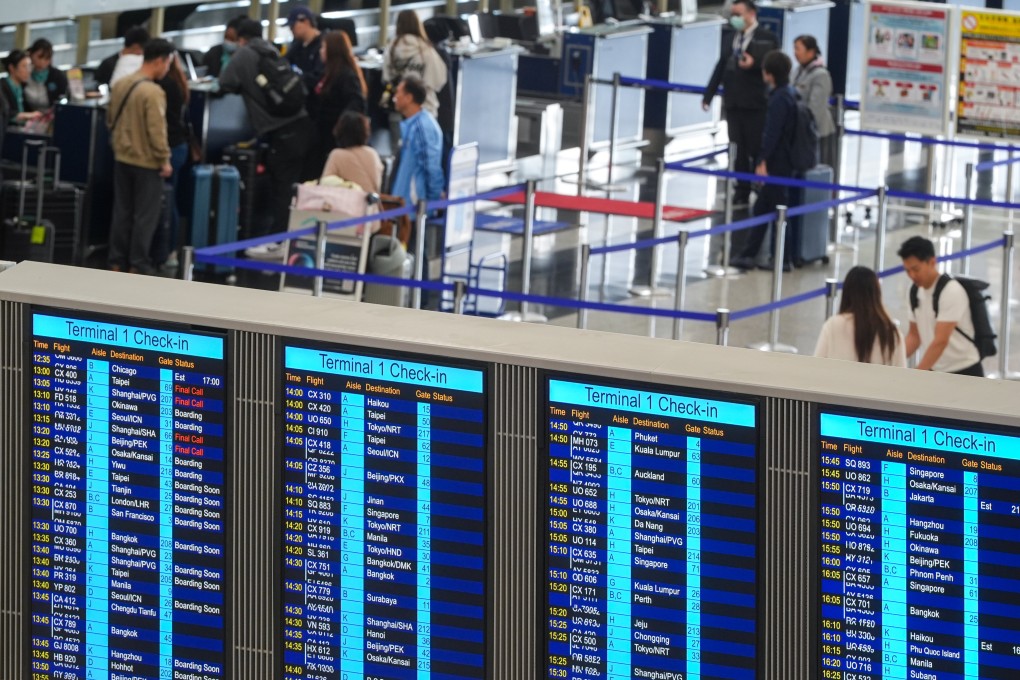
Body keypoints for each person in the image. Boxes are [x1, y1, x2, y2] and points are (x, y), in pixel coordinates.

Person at [219, 18, 312, 255]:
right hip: (300, 124)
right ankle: (284, 239)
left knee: (281, 188)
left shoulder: (243, 55)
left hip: (282, 132)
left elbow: (225, 82)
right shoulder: (271, 50)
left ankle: (279, 244)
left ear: (241, 39)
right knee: (288, 187)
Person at [106, 39, 175, 275]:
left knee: (122, 212)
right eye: (168, 64)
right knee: (145, 216)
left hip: (122, 158)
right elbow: (157, 131)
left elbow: (109, 119)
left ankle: (116, 262)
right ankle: (138, 263)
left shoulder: (120, 85)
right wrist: (164, 159)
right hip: (147, 163)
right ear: (159, 61)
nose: (167, 69)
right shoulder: (153, 92)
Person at [702, 0, 778, 208]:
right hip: (734, 103)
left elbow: (773, 67)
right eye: (732, 14)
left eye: (738, 13)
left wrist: (755, 65)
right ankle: (741, 190)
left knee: (756, 148)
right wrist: (708, 95)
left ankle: (761, 187)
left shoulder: (767, 38)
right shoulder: (730, 38)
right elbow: (721, 66)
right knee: (738, 149)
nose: (734, 18)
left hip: (755, 104)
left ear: (751, 13)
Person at [730, 50, 799, 272]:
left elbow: (772, 133)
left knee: (778, 209)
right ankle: (750, 253)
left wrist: (762, 160)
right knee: (762, 208)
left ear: (769, 74)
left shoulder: (780, 98)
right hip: (783, 162)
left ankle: (782, 258)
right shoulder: (789, 93)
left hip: (777, 164)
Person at [898, 236, 984, 376]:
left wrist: (916, 374)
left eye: (916, 269)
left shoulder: (951, 291)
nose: (912, 275)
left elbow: (941, 341)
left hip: (965, 370)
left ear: (932, 262)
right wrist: (891, 362)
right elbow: (914, 336)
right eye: (907, 270)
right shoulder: (913, 291)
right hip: (936, 368)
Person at [382, 10, 448, 151]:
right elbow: (439, 79)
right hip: (424, 108)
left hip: (398, 108)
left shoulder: (392, 47)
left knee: (399, 152)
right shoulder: (425, 49)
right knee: (424, 151)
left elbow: (386, 77)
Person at [814, 266, 906, 366]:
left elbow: (816, 366)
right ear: (877, 294)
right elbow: (902, 374)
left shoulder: (833, 325)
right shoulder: (892, 333)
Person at [306, 30, 367, 180]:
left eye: (324, 48)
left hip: (333, 140)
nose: (321, 51)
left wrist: (340, 126)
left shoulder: (346, 76)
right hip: (320, 138)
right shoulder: (326, 73)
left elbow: (356, 103)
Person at [156, 53, 191, 267]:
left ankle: (166, 251)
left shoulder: (164, 85)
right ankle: (170, 251)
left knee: (166, 202)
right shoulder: (179, 82)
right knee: (171, 200)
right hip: (180, 146)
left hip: (170, 148)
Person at [390, 75, 443, 216]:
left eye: (398, 93)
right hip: (403, 206)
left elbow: (431, 168)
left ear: (409, 98)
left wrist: (433, 202)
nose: (394, 97)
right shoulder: (412, 125)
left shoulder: (422, 128)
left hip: (414, 207)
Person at [793, 35, 836, 169]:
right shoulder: (797, 71)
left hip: (816, 133)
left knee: (817, 171)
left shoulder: (821, 75)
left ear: (811, 52)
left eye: (798, 49)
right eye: (794, 48)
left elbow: (815, 109)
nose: (795, 52)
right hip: (799, 131)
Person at [321, 111, 383, 193]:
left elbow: (325, 182)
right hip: (371, 203)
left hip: (347, 204)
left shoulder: (337, 155)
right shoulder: (372, 153)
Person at [285, 6, 324, 102]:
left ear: (306, 22)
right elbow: (284, 62)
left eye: (293, 26)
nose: (291, 29)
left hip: (316, 101)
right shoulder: (297, 46)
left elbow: (318, 77)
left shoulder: (324, 46)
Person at [1, 51, 44, 125]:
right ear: (12, 68)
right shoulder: (2, 87)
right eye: (24, 66)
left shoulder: (23, 86)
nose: (28, 71)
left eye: (29, 67)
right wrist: (26, 115)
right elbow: (6, 113)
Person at [26, 39, 68, 110]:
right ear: (31, 54)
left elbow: (64, 98)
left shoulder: (57, 76)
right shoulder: (25, 74)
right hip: (28, 115)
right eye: (40, 57)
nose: (42, 62)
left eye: (47, 58)